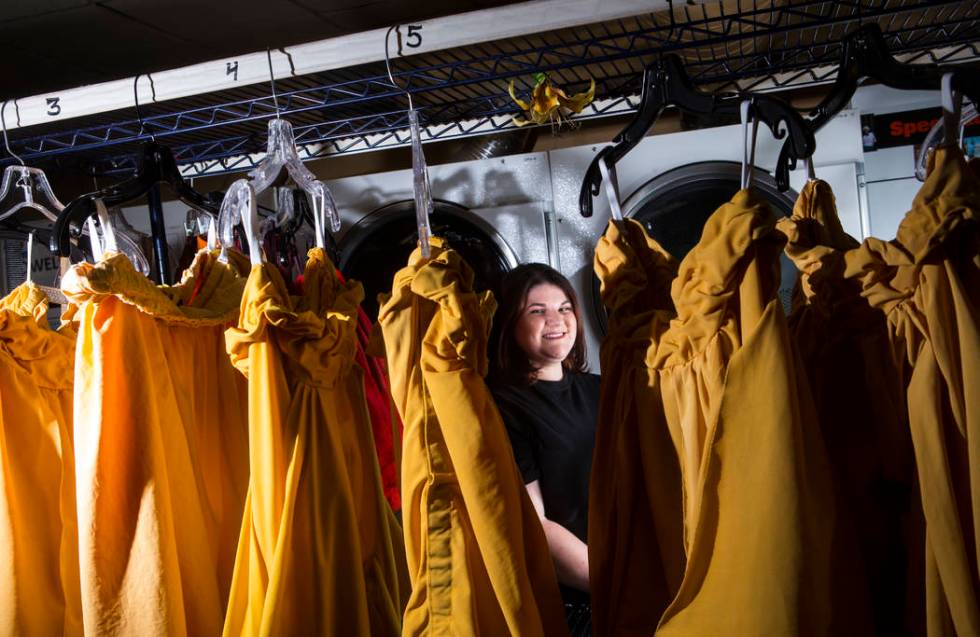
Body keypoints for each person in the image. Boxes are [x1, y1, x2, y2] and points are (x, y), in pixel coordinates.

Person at [490, 263, 599, 635]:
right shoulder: (503, 406)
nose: (556, 320)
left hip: (633, 565)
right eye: (537, 311)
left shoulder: (601, 388)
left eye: (565, 307)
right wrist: (612, 580)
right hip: (580, 596)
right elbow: (535, 523)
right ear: (510, 325)